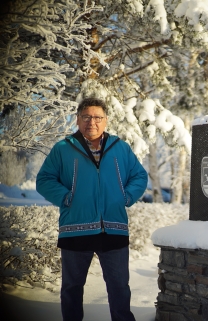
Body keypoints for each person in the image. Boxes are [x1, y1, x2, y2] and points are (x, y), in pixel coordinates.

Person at [36, 97, 148, 321]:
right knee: (72, 289)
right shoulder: (63, 148)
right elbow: (44, 180)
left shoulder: (120, 147)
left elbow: (139, 175)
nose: (92, 122)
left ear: (106, 120)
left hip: (114, 229)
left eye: (97, 117)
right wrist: (67, 198)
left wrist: (125, 197)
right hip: (75, 230)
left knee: (119, 288)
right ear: (78, 119)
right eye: (86, 117)